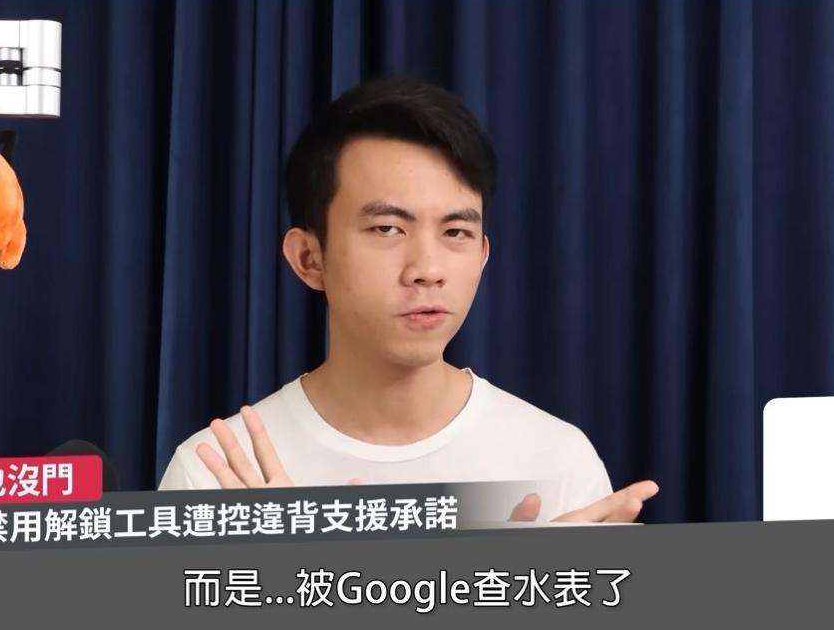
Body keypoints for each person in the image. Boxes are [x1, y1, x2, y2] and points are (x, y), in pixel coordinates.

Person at [158, 75, 658, 523]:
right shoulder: (218, 474)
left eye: (456, 232)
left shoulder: (558, 464)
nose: (428, 270)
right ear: (309, 258)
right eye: (387, 229)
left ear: (483, 255)